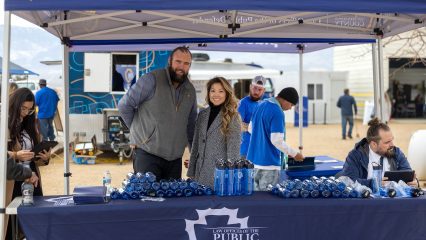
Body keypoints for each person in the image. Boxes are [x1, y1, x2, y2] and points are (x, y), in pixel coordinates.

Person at [118, 47, 197, 180]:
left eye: (186, 63)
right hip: (147, 155)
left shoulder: (190, 90)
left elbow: (191, 125)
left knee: (172, 200)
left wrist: (194, 154)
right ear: (169, 61)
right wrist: (138, 132)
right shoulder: (151, 80)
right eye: (178, 61)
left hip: (175, 160)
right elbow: (124, 105)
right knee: (147, 199)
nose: (181, 67)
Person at [6, 88, 50, 240]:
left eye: (30, 110)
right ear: (14, 104)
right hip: (13, 179)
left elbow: (34, 155)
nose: (25, 113)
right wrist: (16, 155)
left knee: (33, 221)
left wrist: (44, 157)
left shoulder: (30, 125)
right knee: (12, 222)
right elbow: (2, 156)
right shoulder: (5, 124)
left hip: (32, 177)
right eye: (23, 108)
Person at [187, 77, 241, 188]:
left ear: (227, 93)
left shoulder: (233, 117)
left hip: (219, 177)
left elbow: (233, 151)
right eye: (213, 90)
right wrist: (191, 172)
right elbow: (196, 146)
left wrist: (231, 179)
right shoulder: (202, 115)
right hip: (199, 174)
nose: (216, 94)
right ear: (208, 93)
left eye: (221, 91)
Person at [246, 87, 304, 191]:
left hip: (253, 162)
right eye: (291, 105)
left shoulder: (260, 105)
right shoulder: (277, 111)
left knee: (255, 200)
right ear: (286, 99)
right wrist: (295, 154)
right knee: (268, 202)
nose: (290, 108)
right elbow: (277, 140)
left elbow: (250, 129)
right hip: (269, 164)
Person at [339, 118, 417, 189]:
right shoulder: (355, 156)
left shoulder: (397, 153)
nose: (392, 145)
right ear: (373, 144)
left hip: (394, 201)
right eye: (387, 142)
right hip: (366, 202)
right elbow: (348, 181)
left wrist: (413, 182)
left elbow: (408, 175)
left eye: (392, 140)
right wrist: (373, 184)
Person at [238, 75, 266, 158]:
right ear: (250, 87)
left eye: (259, 89)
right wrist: (253, 128)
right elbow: (236, 124)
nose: (256, 92)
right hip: (245, 151)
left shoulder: (262, 104)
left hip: (259, 151)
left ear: (264, 90)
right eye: (254, 88)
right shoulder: (243, 103)